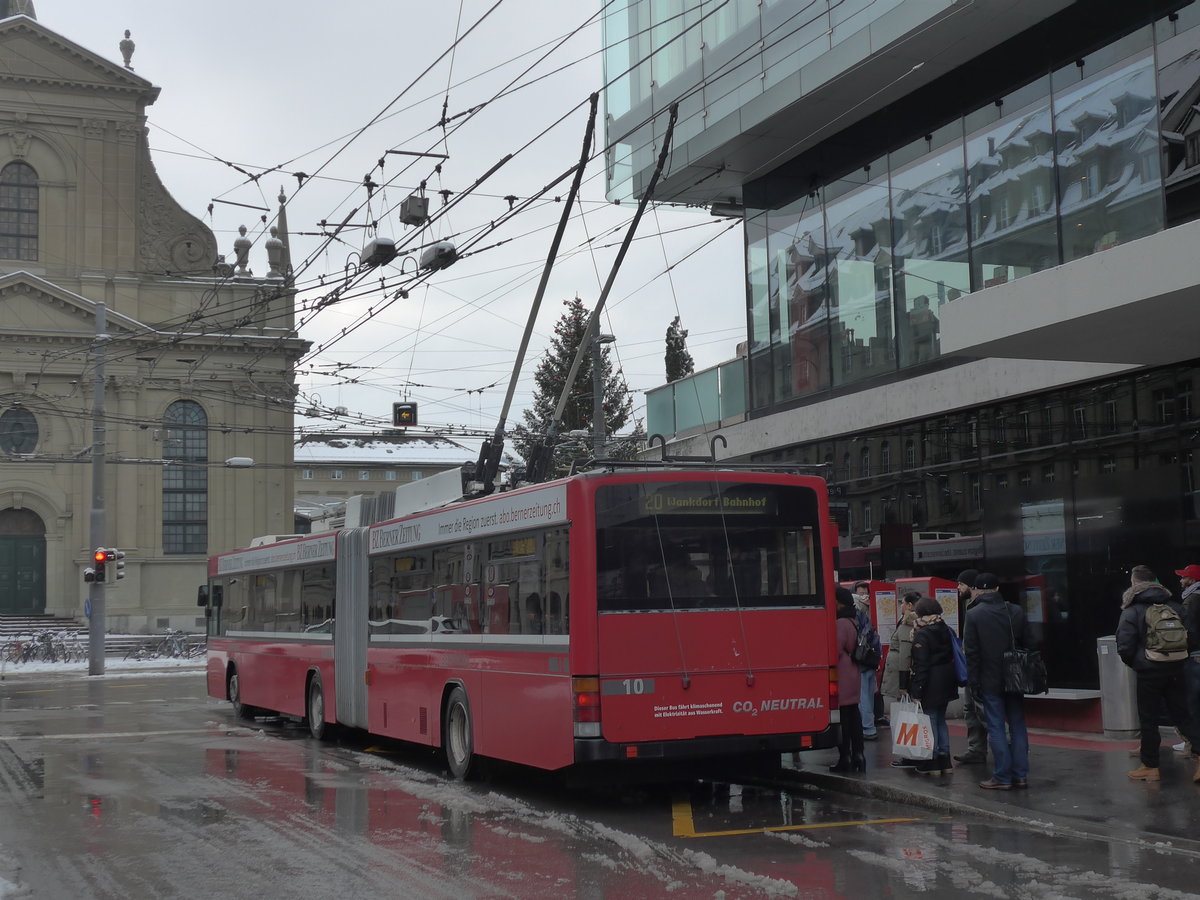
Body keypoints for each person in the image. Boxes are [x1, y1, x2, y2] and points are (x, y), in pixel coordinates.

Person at [1116, 565, 1200, 783]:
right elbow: (1190, 637)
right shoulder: (1174, 605)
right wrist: (1177, 659)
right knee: (1183, 717)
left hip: (1148, 672)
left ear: (1135, 583)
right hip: (1176, 669)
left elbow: (1124, 645)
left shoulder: (1132, 610)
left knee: (1149, 720)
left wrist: (1138, 663)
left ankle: (1150, 767)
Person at [964, 572, 1031, 790]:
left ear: (977, 591)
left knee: (996, 727)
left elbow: (972, 654)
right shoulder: (1016, 611)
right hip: (1016, 676)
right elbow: (1028, 642)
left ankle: (1002, 776)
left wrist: (973, 682)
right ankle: (1020, 775)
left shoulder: (974, 615)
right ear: (997, 589)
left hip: (989, 677)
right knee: (1018, 725)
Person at [908, 596, 958, 775]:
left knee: (930, 721)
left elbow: (922, 664)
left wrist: (917, 690)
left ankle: (933, 761)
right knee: (940, 720)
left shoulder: (922, 632)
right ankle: (945, 760)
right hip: (947, 679)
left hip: (931, 682)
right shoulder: (946, 628)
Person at [953, 568, 989, 766]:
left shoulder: (978, 609)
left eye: (961, 584)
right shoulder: (967, 605)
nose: (958, 588)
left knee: (983, 709)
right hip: (971, 667)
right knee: (970, 708)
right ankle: (976, 749)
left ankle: (1005, 750)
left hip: (980, 668)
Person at [831, 587, 866, 773]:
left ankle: (845, 757)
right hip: (854, 674)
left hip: (842, 676)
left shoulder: (841, 623)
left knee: (843, 720)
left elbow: (834, 652)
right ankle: (859, 755)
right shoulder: (855, 620)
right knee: (854, 716)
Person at [882, 592, 919, 768]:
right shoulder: (909, 623)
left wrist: (903, 684)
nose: (901, 606)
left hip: (903, 675)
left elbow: (905, 655)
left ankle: (910, 755)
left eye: (903, 603)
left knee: (908, 717)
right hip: (908, 674)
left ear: (910, 605)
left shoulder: (907, 625)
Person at [853, 581, 883, 740]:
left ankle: (868, 727)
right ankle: (869, 725)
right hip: (871, 659)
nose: (865, 598)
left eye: (866, 594)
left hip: (864, 661)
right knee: (869, 694)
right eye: (861, 594)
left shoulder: (857, 613)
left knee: (864, 695)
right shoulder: (866, 612)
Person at [1178, 563, 1200, 756]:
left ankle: (1193, 745)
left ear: (1192, 580)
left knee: (1192, 702)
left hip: (1194, 656)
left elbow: (1189, 629)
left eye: (1184, 577)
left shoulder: (1191, 600)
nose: (1181, 580)